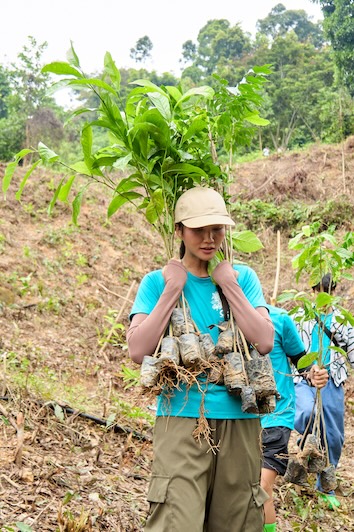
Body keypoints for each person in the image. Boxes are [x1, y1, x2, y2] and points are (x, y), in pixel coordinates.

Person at [127, 186, 275, 532]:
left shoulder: (243, 277)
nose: (209, 239)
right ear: (178, 230)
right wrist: (171, 290)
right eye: (198, 230)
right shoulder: (156, 282)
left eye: (217, 230)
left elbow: (265, 340)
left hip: (240, 417)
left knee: (236, 520)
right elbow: (138, 350)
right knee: (177, 521)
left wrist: (230, 287)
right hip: (181, 416)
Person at [261, 304, 329, 532]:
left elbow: (302, 362)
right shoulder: (224, 320)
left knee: (261, 489)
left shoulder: (279, 320)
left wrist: (315, 374)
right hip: (236, 419)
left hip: (276, 417)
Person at [294, 273, 354, 510]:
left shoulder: (343, 320)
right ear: (312, 291)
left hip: (333, 380)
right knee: (307, 413)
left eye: (327, 291)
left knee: (334, 436)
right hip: (304, 378)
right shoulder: (301, 317)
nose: (323, 296)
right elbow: (289, 344)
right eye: (319, 290)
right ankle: (307, 443)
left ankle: (325, 484)